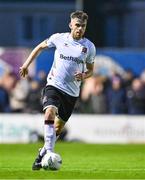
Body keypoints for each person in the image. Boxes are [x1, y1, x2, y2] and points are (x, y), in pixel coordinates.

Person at [19, 10, 96, 170]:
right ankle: (50, 152)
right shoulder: (59, 38)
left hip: (72, 93)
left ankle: (42, 153)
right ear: (70, 25)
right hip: (54, 85)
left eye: (83, 26)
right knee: (49, 112)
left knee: (58, 129)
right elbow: (40, 47)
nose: (80, 29)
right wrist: (26, 64)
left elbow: (91, 71)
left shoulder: (89, 47)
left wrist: (83, 75)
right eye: (77, 25)